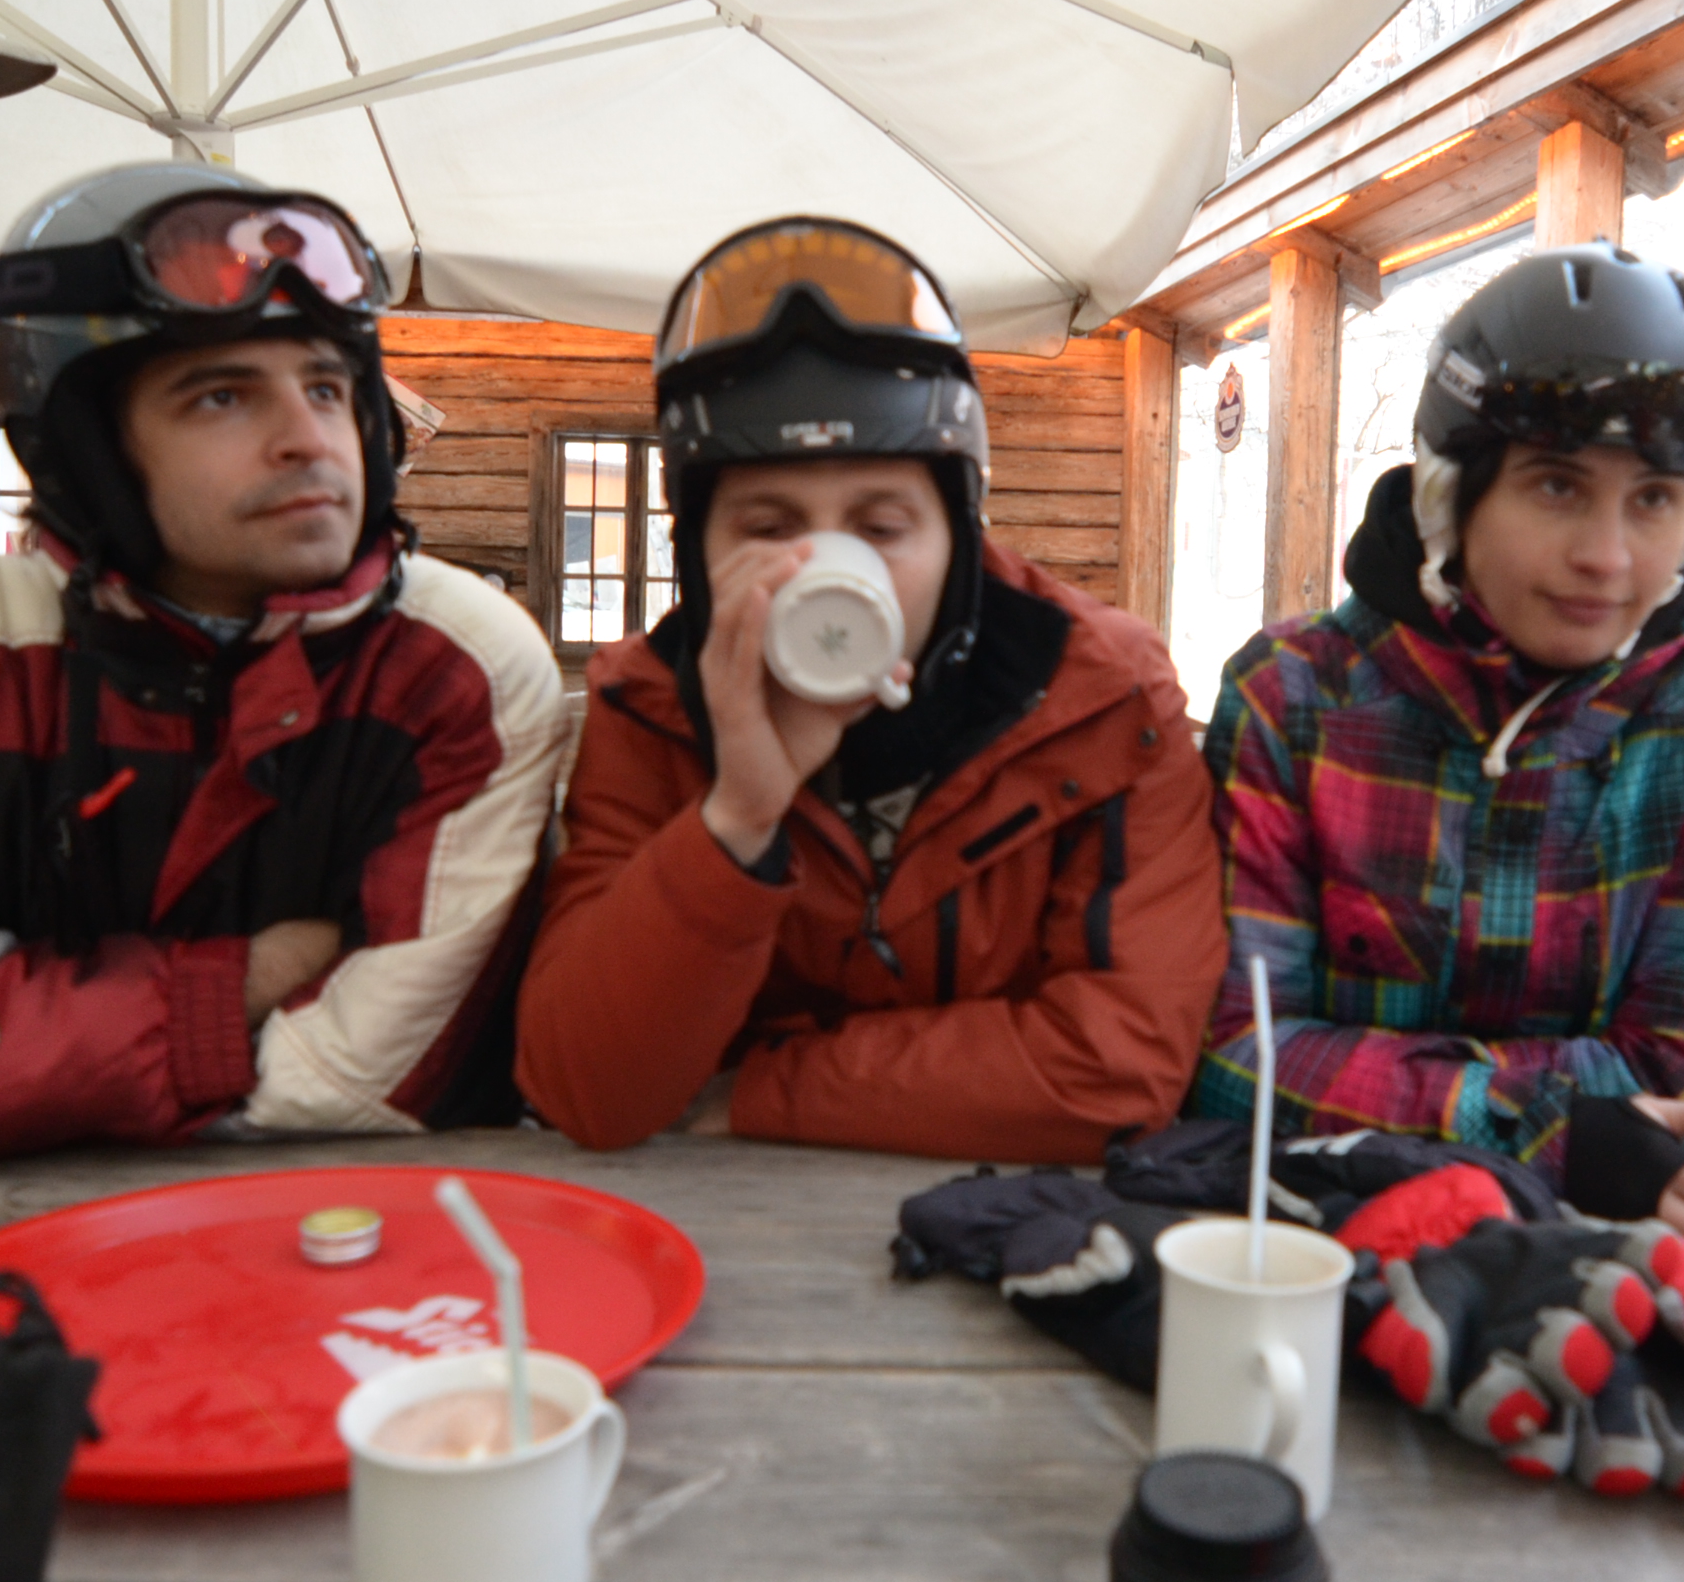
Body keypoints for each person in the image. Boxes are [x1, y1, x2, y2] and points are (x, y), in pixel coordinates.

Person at [0, 164, 564, 1163]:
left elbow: (371, 1086)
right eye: (221, 396)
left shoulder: (456, 664)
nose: (309, 440)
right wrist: (236, 988)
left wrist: (3, 1057)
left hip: (369, 1232)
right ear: (88, 450)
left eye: (329, 388)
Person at [514, 219, 1222, 1161]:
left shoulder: (1103, 695)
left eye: (883, 528)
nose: (826, 571)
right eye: (767, 528)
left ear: (959, 537)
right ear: (698, 557)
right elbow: (588, 1089)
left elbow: (1119, 1064)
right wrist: (738, 817)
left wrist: (759, 1086)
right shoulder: (650, 704)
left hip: (1000, 1214)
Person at [1194, 243, 1684, 1248]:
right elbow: (1232, 1060)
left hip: (1609, 1270)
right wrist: (1565, 1134)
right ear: (1451, 496)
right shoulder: (1289, 696)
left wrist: (1371, 1081)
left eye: (1654, 497)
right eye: (1557, 486)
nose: (1606, 556)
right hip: (1301, 1249)